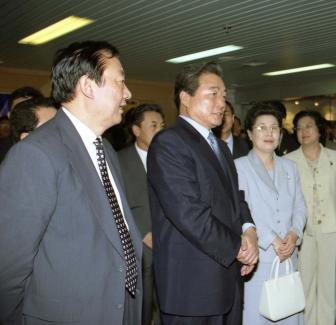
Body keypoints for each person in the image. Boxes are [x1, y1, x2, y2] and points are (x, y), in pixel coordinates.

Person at [0, 41, 143, 324]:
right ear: (89, 87)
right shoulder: (35, 154)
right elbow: (8, 267)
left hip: (118, 310)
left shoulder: (107, 151)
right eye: (120, 81)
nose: (128, 93)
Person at [147, 61, 258, 325]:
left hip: (226, 281)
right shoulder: (169, 142)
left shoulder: (218, 145)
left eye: (224, 96)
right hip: (192, 286)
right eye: (213, 94)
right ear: (185, 98)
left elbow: (235, 199)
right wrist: (237, 248)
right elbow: (188, 213)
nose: (222, 103)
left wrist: (249, 229)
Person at [235, 102, 307, 325]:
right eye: (261, 128)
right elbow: (240, 209)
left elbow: (300, 206)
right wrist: (270, 238)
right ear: (249, 133)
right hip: (259, 257)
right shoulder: (238, 167)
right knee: (256, 316)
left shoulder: (290, 167)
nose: (269, 133)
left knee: (288, 311)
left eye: (274, 128)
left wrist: (294, 234)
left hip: (288, 256)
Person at [286, 110, 336, 325]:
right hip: (302, 231)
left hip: (332, 227)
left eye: (308, 126)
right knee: (304, 282)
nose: (303, 132)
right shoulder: (287, 161)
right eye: (298, 128)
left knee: (327, 283)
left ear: (319, 130)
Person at [118, 103, 165, 325]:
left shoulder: (171, 158)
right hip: (139, 242)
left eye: (162, 125)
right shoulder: (119, 160)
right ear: (136, 130)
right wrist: (143, 231)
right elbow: (117, 202)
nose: (160, 130)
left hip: (170, 241)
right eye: (153, 125)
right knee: (143, 306)